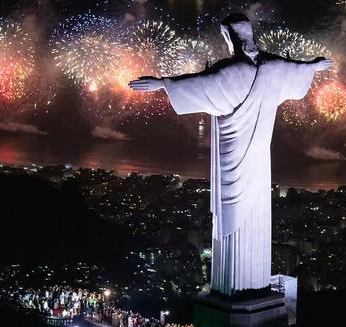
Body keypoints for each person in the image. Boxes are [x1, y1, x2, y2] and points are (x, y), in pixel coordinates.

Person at [129, 13, 332, 295]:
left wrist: (163, 84)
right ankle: (251, 287)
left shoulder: (230, 72)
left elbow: (197, 84)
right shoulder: (274, 67)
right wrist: (314, 66)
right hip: (260, 164)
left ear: (228, 38)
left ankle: (233, 290)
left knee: (231, 218)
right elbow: (297, 70)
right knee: (254, 214)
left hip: (232, 159)